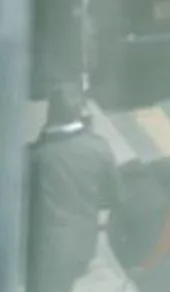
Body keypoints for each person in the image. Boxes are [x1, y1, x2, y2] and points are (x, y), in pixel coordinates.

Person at [26, 87, 120, 292]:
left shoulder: (36, 156)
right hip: (84, 246)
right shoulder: (99, 147)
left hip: (44, 252)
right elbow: (114, 197)